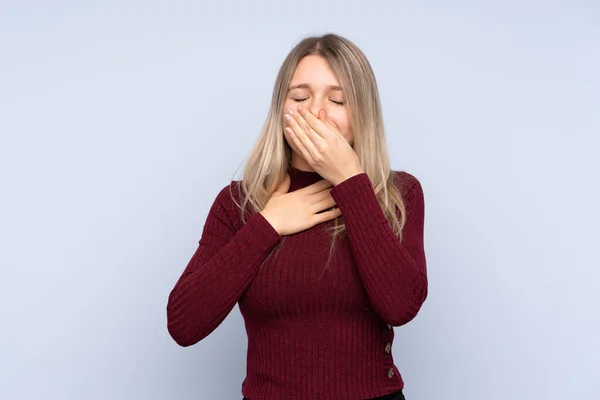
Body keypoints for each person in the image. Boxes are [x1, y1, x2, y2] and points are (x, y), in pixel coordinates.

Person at [166, 33, 428, 400]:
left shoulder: (397, 194)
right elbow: (183, 324)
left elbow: (401, 306)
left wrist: (351, 182)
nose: (316, 112)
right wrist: (268, 224)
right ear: (280, 109)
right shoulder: (238, 203)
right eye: (300, 97)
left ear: (362, 112)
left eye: (338, 99)